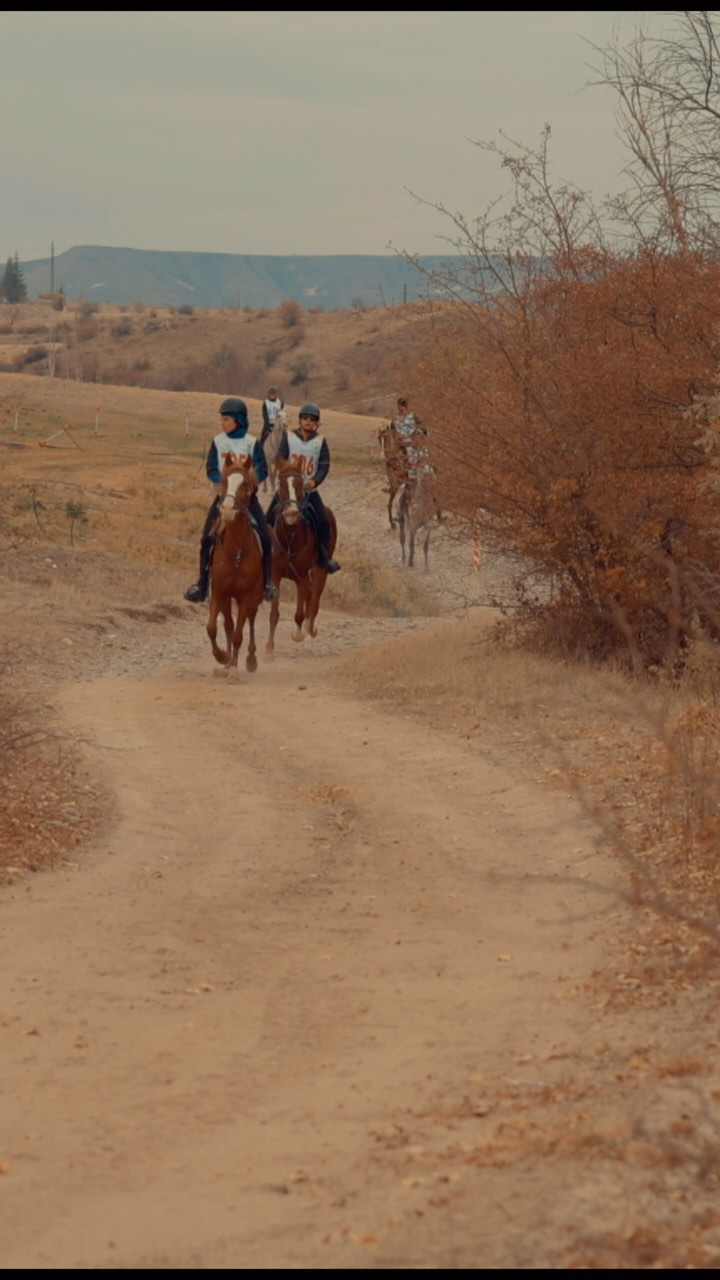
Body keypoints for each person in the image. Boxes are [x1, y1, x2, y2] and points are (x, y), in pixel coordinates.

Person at [184, 396, 279, 604]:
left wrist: (254, 479)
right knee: (206, 539)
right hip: (223, 498)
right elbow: (211, 467)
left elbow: (262, 469)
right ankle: (201, 585)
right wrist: (220, 480)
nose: (223, 423)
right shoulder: (218, 441)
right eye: (222, 419)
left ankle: (267, 583)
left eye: (226, 419)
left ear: (238, 420)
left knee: (265, 537)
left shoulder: (252, 443)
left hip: (247, 500)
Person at [267, 402, 341, 574]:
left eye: (312, 419)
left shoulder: (321, 441)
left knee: (323, 520)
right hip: (289, 488)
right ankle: (265, 554)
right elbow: (281, 456)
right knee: (267, 518)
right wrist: (288, 473)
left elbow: (324, 464)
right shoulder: (288, 436)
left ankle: (323, 556)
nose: (308, 421)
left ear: (317, 423)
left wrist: (315, 481)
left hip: (309, 490)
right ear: (300, 420)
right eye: (305, 418)